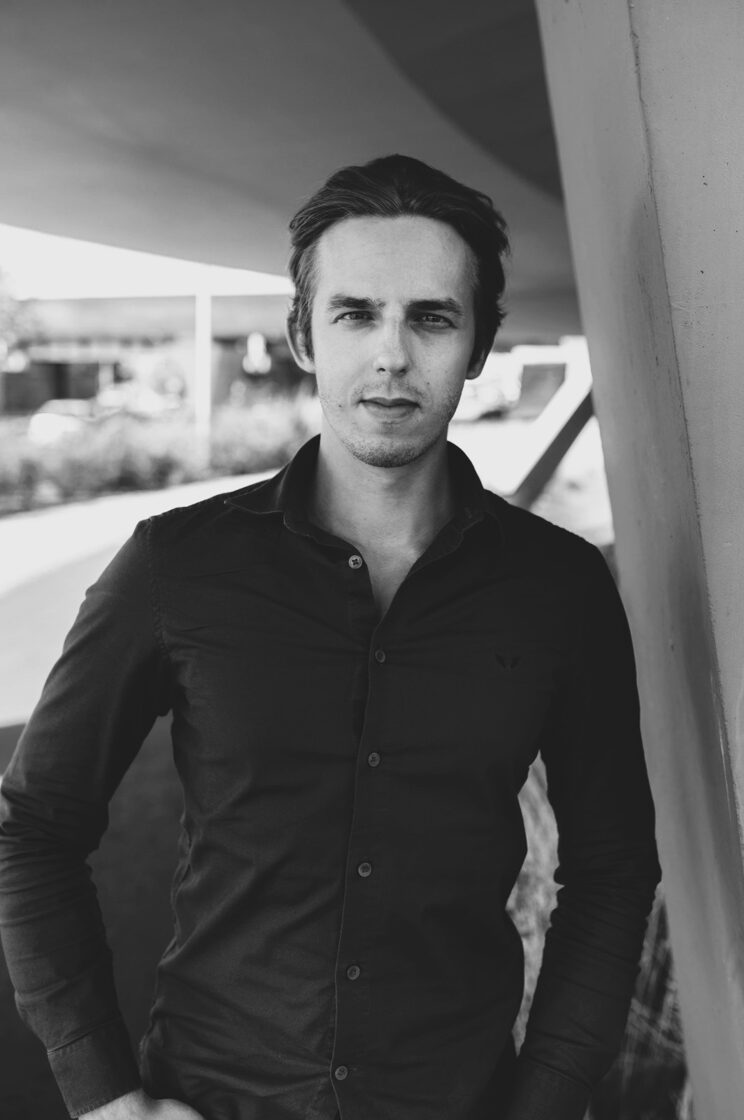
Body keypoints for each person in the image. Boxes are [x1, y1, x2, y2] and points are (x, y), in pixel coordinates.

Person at [0, 154, 661, 1120]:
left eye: (431, 317)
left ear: (480, 344)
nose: (391, 355)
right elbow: (32, 828)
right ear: (303, 335)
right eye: (355, 313)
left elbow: (612, 868)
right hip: (212, 1097)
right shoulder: (175, 567)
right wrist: (103, 1096)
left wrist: (549, 1100)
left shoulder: (559, 589)